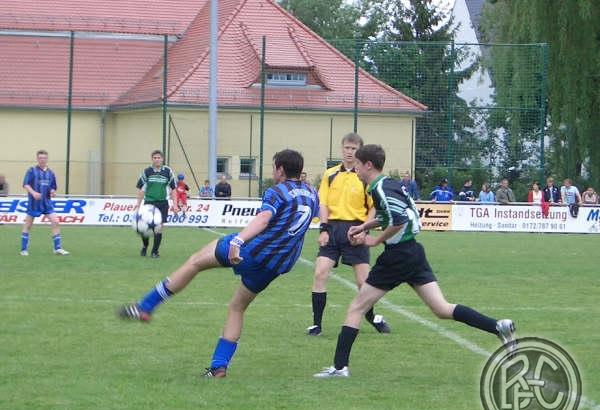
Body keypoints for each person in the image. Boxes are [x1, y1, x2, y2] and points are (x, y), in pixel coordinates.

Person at [313, 144, 516, 378]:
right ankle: (497, 326)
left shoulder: (379, 188)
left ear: (368, 164)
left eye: (357, 164)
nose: (355, 168)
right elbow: (395, 214)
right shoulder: (389, 184)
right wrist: (364, 226)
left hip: (397, 256)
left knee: (357, 307)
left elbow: (398, 219)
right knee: (441, 308)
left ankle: (339, 368)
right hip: (413, 252)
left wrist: (375, 240)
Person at [118, 149, 319, 378]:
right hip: (275, 265)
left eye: (274, 168)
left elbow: (264, 219)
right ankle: (218, 367)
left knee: (195, 262)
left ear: (280, 170)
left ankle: (146, 306)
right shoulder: (312, 193)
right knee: (237, 307)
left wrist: (238, 240)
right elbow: (319, 215)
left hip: (252, 251)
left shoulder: (276, 191)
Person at [308, 132, 390, 337]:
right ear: (341, 149)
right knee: (320, 273)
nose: (349, 152)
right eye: (346, 148)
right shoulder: (330, 174)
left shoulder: (365, 177)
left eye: (354, 149)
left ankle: (372, 316)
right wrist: (324, 229)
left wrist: (364, 230)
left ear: (360, 152)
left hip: (356, 229)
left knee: (364, 283)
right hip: (333, 229)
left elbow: (374, 208)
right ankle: (316, 325)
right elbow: (323, 203)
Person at [20, 150, 69, 256]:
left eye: (44, 158)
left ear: (47, 159)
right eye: (40, 158)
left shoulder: (50, 173)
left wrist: (52, 192)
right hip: (34, 203)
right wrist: (33, 193)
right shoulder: (32, 170)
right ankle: (23, 249)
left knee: (55, 222)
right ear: (37, 159)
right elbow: (26, 184)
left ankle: (57, 248)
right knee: (28, 225)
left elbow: (53, 187)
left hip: (46, 203)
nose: (42, 160)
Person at [135, 150, 179, 258]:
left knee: (158, 228)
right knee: (144, 228)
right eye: (154, 158)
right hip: (149, 203)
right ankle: (145, 246)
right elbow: (142, 189)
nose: (157, 159)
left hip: (162, 203)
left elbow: (173, 189)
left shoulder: (168, 171)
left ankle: (155, 252)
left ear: (162, 159)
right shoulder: (147, 171)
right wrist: (138, 204)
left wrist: (175, 204)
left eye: (159, 157)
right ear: (152, 159)